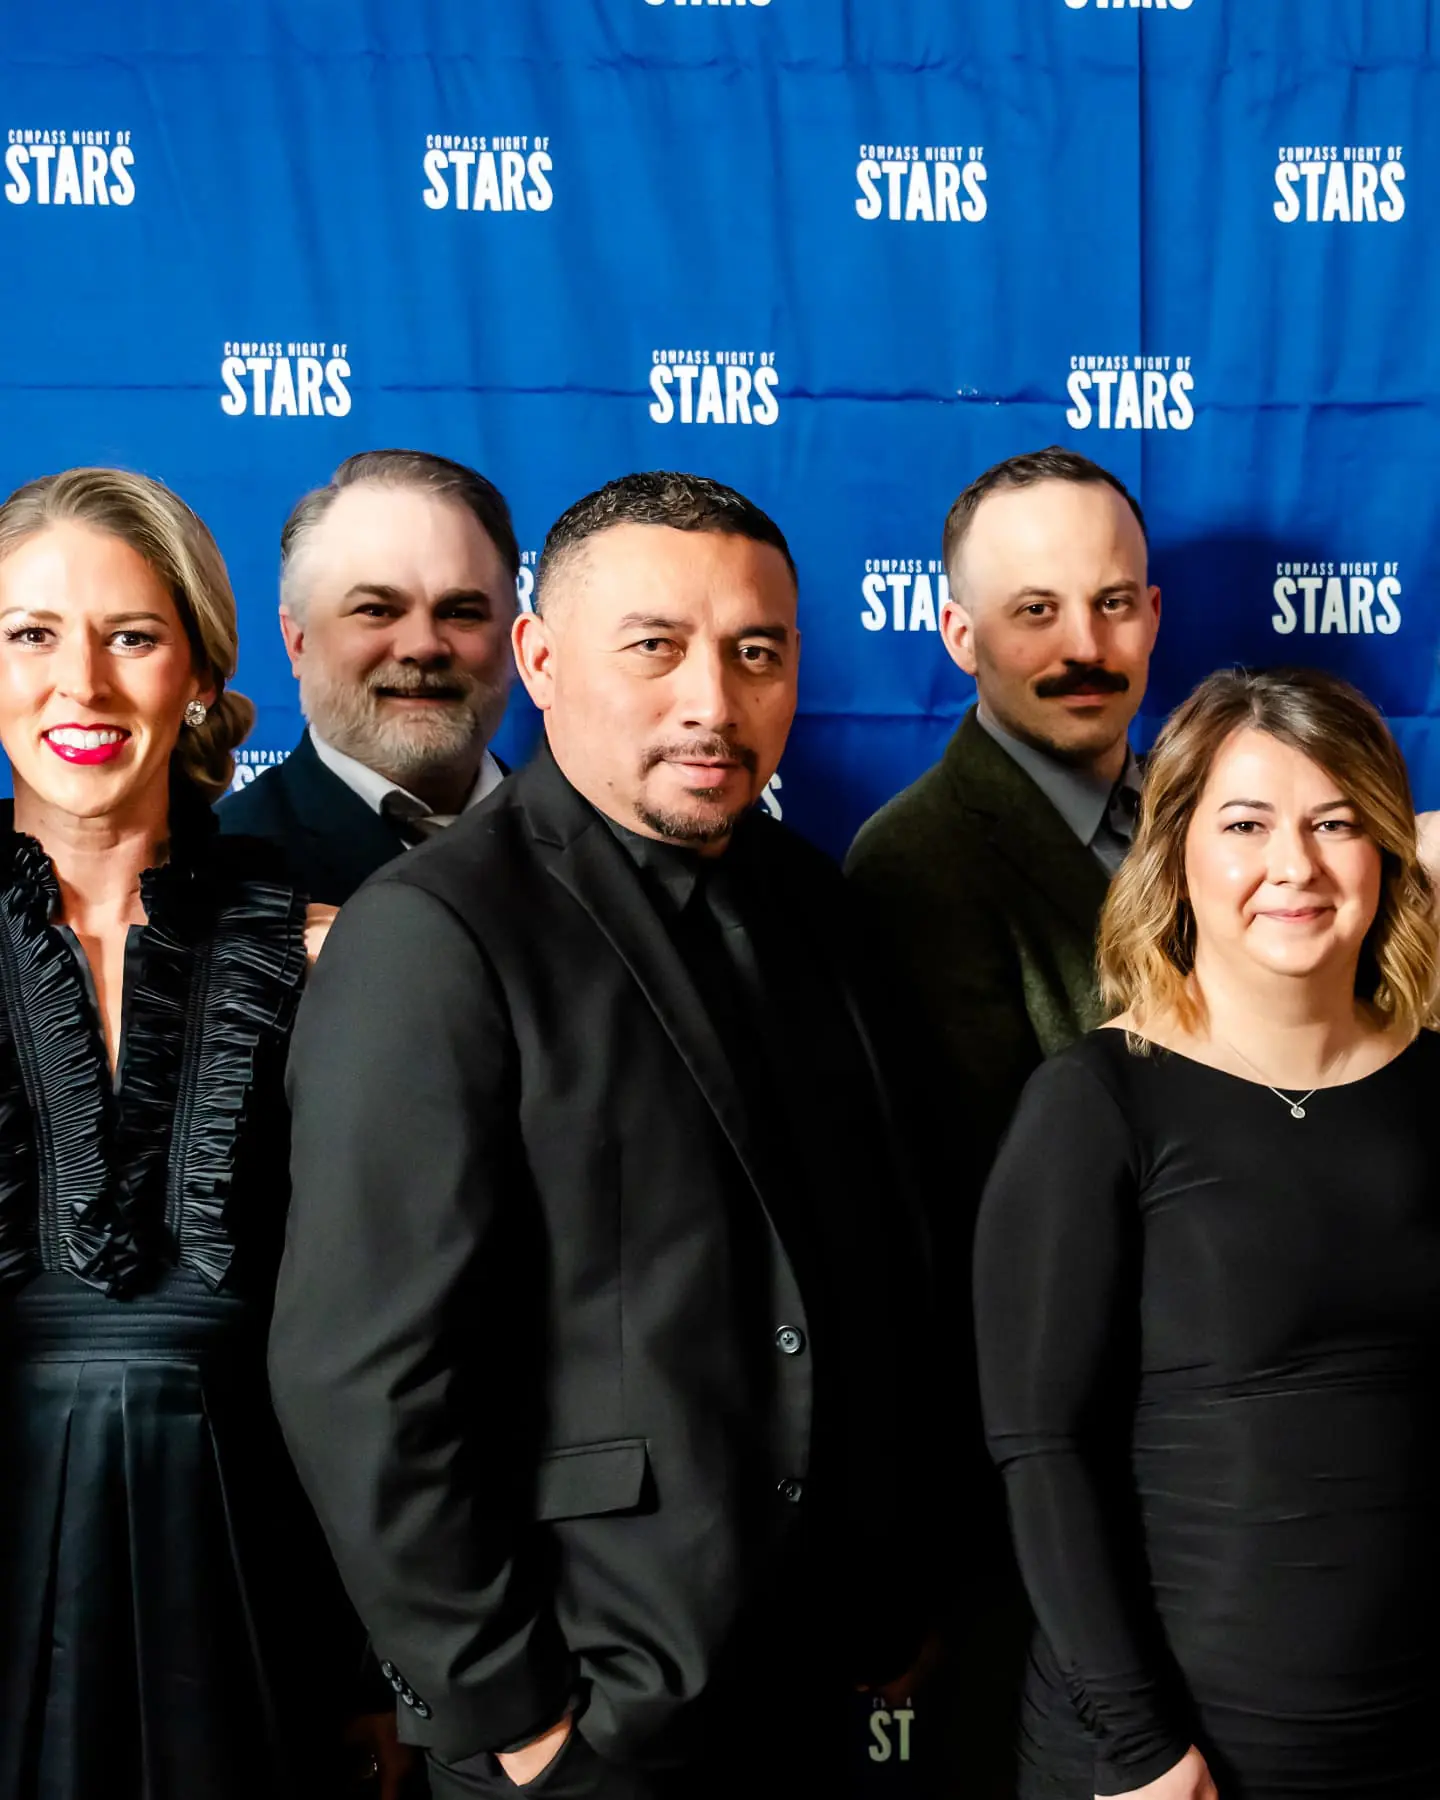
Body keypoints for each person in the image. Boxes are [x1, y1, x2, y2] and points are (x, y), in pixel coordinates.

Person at [269, 471, 932, 1800]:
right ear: (539, 658)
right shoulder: (435, 932)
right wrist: (513, 1711)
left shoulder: (827, 908)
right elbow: (361, 1376)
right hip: (585, 1712)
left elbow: (873, 1266)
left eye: (757, 652)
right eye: (657, 647)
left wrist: (891, 1587)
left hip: (817, 1691)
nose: (714, 700)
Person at [0, 468, 404, 1800]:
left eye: (131, 636)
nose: (84, 686)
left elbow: (392, 1333)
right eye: (32, 635)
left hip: (257, 1570)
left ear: (199, 671)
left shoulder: (334, 955)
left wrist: (383, 1665)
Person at [975, 666, 1440, 1800]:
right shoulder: (1096, 1104)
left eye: (1337, 823)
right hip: (1176, 1761)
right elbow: (1042, 1449)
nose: (1297, 864)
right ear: (1176, 849)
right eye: (1247, 824)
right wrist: (1141, 1748)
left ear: (1387, 846)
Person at [846, 445, 1161, 1173]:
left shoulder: (1210, 818)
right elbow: (990, 1185)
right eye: (1036, 611)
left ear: (1151, 615)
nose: (1084, 646)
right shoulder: (911, 863)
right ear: (962, 637)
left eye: (1112, 603)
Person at [217, 450, 517, 902]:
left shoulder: (601, 848)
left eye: (460, 612)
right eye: (376, 610)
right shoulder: (214, 877)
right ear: (298, 640)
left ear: (517, 636)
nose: (422, 645)